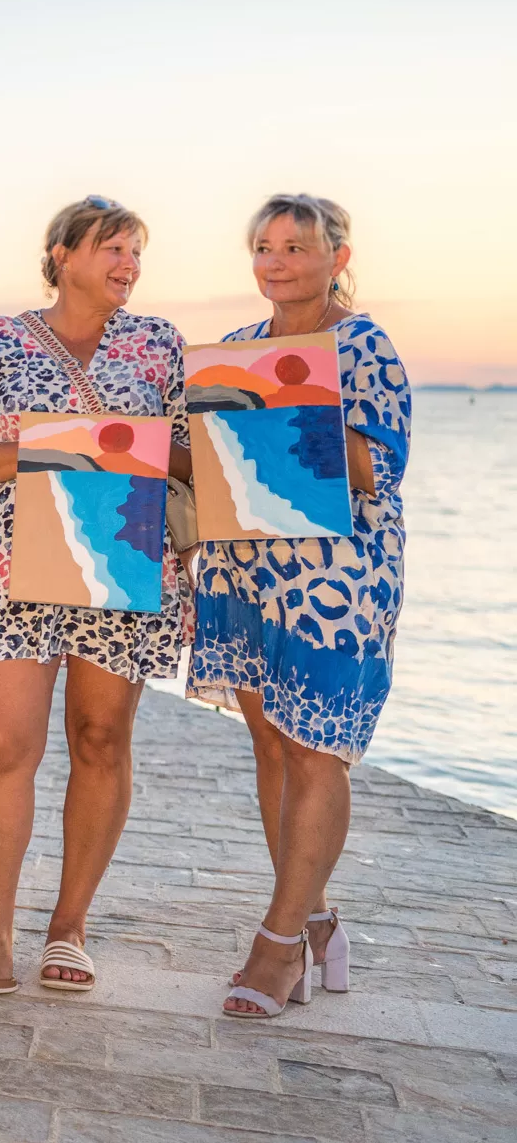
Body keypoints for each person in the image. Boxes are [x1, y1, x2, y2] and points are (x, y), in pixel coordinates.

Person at [0, 196, 190, 1005]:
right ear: (62, 254)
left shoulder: (160, 343)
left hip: (121, 562)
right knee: (1, 744)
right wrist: (73, 443)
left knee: (101, 737)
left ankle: (69, 925)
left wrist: (121, 448)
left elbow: (191, 455)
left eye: (135, 251)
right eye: (112, 248)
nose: (128, 264)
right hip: (5, 566)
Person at [192, 195, 411, 1018]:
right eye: (264, 247)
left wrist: (297, 405)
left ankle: (279, 944)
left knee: (318, 749)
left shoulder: (364, 345)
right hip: (246, 569)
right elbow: (211, 458)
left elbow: (380, 466)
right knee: (273, 745)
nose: (276, 261)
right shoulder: (237, 348)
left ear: (336, 257)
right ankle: (316, 919)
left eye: (295, 246)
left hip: (336, 579)